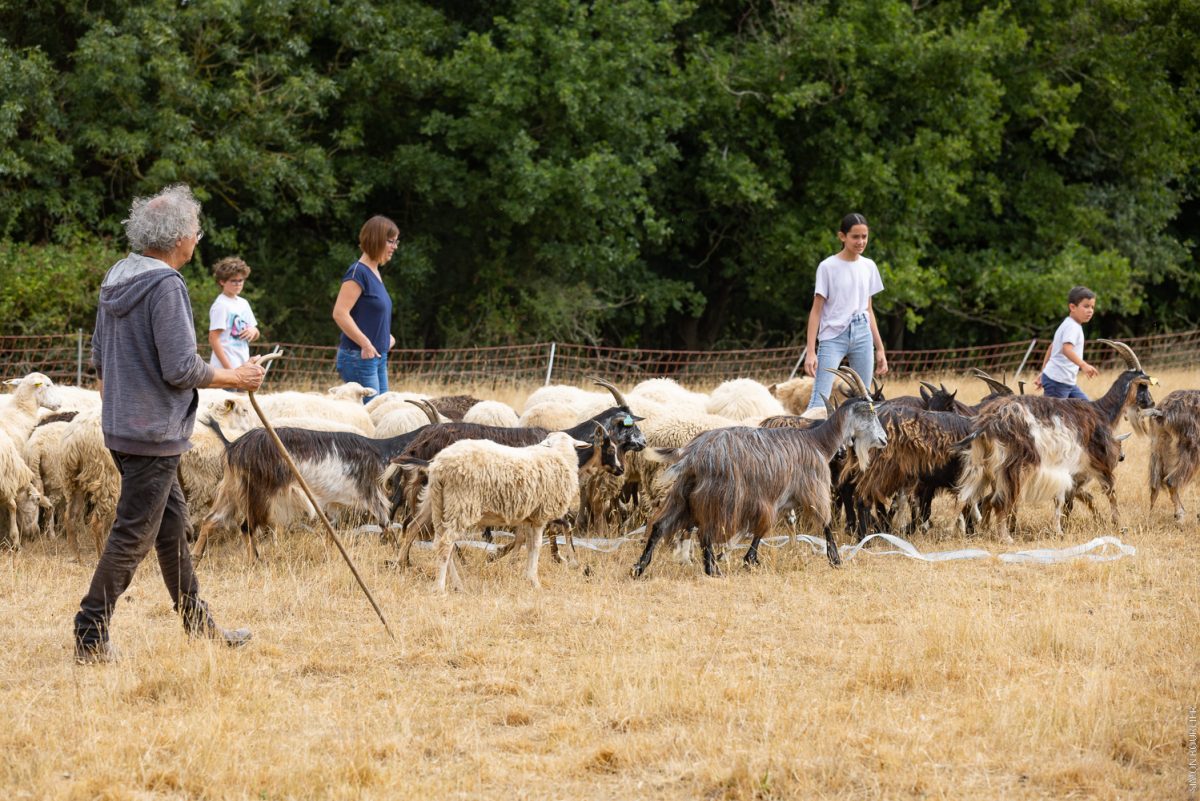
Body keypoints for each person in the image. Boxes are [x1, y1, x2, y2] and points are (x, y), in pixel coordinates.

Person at [73, 184, 266, 665]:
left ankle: (197, 622)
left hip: (122, 427)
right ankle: (90, 631)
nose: (197, 239)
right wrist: (235, 376)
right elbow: (181, 368)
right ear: (178, 236)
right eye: (196, 231)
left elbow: (100, 356)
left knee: (172, 524)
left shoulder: (117, 275)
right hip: (153, 433)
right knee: (133, 534)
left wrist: (120, 403)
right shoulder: (165, 284)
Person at [803, 213, 888, 411]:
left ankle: (858, 443)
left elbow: (869, 309)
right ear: (842, 236)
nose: (861, 242)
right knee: (819, 399)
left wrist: (880, 348)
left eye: (864, 237)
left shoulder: (869, 266)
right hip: (833, 337)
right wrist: (811, 351)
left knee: (864, 400)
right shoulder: (827, 267)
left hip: (862, 334)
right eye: (855, 237)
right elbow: (816, 311)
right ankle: (803, 440)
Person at [332, 215, 398, 402]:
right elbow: (340, 313)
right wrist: (366, 344)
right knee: (372, 418)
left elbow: (370, 315)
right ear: (376, 240)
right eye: (391, 241)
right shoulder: (358, 272)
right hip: (359, 358)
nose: (395, 247)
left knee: (382, 413)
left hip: (376, 357)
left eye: (396, 241)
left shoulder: (375, 272)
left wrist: (386, 338)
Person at [1035, 286, 1098, 400]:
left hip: (1066, 382)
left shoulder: (1069, 324)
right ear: (1072, 307)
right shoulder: (1072, 327)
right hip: (1057, 382)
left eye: (1092, 307)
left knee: (1087, 408)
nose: (1090, 310)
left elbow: (1052, 347)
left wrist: (1043, 372)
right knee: (1056, 416)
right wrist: (1083, 365)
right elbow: (1066, 349)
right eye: (1086, 306)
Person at [208, 256, 260, 370]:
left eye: (240, 280)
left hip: (243, 366)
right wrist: (230, 370)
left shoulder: (244, 303)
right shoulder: (221, 305)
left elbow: (255, 333)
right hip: (224, 370)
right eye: (233, 281)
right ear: (222, 281)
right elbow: (213, 338)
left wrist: (253, 331)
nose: (238, 284)